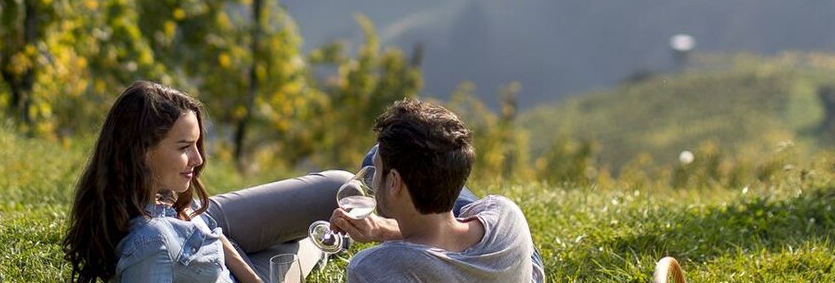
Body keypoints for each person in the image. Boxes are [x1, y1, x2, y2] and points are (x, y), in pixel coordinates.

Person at [62, 81, 348, 283]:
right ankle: (334, 239)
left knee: (339, 188)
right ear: (142, 152)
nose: (198, 159)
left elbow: (208, 228)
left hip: (209, 224)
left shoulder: (161, 195)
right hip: (213, 267)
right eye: (184, 147)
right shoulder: (152, 244)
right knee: (311, 244)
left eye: (197, 143)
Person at [327, 98, 545, 283]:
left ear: (394, 181)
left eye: (378, 171)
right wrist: (381, 230)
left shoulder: (371, 268)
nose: (373, 180)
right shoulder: (507, 216)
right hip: (515, 265)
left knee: (375, 154)